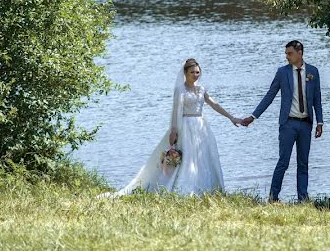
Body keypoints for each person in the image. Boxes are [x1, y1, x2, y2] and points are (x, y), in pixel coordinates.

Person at [101, 58, 241, 197]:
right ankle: (183, 189)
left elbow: (214, 104)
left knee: (203, 158)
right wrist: (174, 130)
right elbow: (175, 110)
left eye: (198, 72)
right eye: (192, 72)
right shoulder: (180, 89)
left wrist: (231, 117)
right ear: (185, 73)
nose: (195, 75)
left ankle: (206, 188)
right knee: (186, 158)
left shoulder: (201, 89)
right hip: (185, 127)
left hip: (201, 127)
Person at [242, 40, 324, 202]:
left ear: (299, 53)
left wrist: (320, 122)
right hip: (288, 124)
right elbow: (270, 96)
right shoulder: (282, 72)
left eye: (290, 53)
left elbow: (317, 99)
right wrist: (253, 116)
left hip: (306, 124)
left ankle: (303, 198)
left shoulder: (313, 71)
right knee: (283, 161)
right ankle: (273, 198)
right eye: (286, 53)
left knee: (303, 163)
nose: (287, 56)